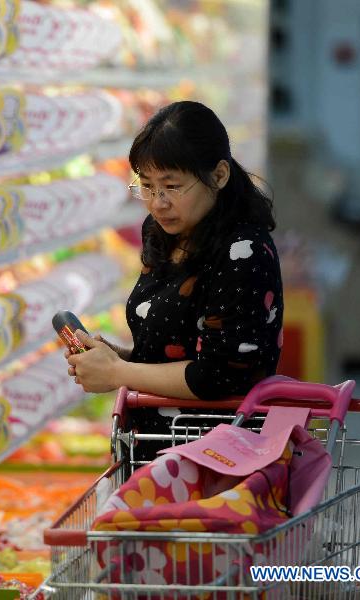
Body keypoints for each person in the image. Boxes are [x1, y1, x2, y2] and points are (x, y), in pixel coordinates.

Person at [66, 101, 283, 461]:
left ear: (219, 175)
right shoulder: (162, 233)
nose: (157, 203)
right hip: (151, 451)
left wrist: (119, 372)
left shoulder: (244, 252)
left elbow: (216, 375)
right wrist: (120, 357)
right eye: (147, 187)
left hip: (217, 459)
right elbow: (178, 345)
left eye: (171, 186)